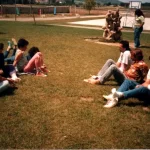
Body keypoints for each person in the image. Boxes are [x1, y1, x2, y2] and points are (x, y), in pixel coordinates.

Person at [84, 49, 148, 85]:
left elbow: (144, 78)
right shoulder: (136, 62)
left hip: (128, 81)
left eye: (132, 56)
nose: (130, 57)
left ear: (136, 56)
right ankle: (97, 77)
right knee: (110, 61)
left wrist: (139, 84)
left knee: (113, 67)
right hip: (126, 76)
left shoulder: (143, 65)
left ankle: (99, 81)